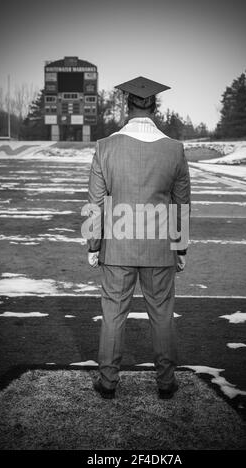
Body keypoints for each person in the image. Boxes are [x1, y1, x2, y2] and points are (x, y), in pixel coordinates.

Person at [86, 76, 191, 399]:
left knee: (113, 314)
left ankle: (108, 382)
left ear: (126, 105)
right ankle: (165, 382)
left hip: (117, 244)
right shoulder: (174, 149)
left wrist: (94, 244)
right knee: (161, 314)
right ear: (154, 105)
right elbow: (181, 204)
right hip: (160, 247)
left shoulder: (105, 147)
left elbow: (95, 202)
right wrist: (181, 247)